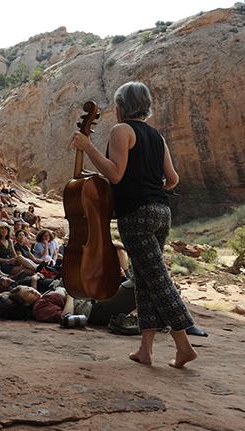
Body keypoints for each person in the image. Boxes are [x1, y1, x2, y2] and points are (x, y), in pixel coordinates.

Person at [71, 80, 197, 368]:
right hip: (161, 212)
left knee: (158, 280)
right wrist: (149, 187)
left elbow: (115, 174)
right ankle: (145, 350)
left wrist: (88, 147)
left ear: (120, 107)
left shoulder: (121, 130)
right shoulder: (157, 137)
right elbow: (173, 179)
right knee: (144, 281)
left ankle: (184, 345)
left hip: (136, 216)